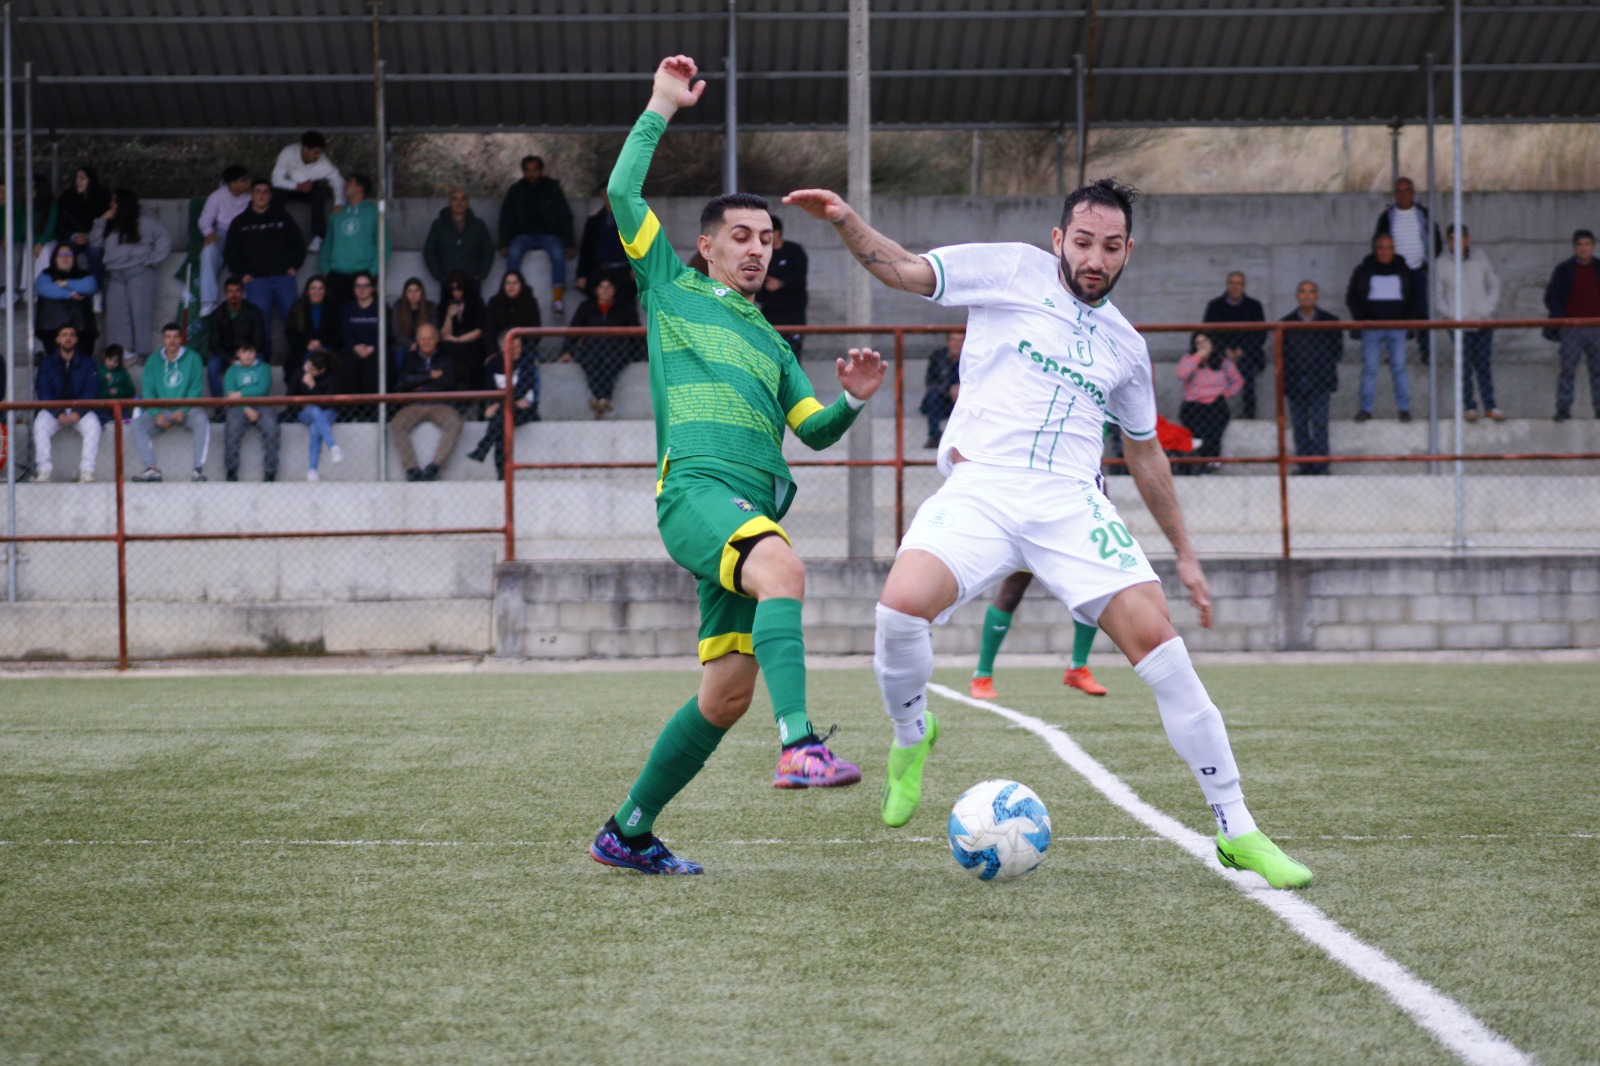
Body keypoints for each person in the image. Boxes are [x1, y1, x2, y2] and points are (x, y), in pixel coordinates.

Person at [786, 175, 1312, 889]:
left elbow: (1145, 449)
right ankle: (913, 737)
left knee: (1164, 650)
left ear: (1129, 252)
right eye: (1085, 242)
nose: (1095, 258)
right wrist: (848, 221)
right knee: (898, 610)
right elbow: (908, 270)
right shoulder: (1011, 268)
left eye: (1112, 247)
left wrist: (1184, 554)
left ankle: (1237, 829)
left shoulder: (1126, 347)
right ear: (1060, 240)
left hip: (1071, 503)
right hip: (984, 486)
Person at [585, 56, 886, 877]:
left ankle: (628, 830)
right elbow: (620, 196)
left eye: (769, 241)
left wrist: (851, 402)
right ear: (707, 246)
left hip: (745, 514)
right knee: (784, 568)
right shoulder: (669, 287)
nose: (758, 251)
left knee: (725, 695)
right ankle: (799, 748)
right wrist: (659, 105)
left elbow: (813, 433)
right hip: (694, 496)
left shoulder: (775, 347)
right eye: (743, 238)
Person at [968, 571, 1109, 700]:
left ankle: (1078, 668)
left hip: (1060, 543)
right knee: (1012, 592)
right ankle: (982, 675)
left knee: (1086, 592)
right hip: (1027, 542)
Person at [224, 178, 307, 364]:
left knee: (294, 322)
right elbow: (231, 252)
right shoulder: (240, 222)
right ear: (251, 195)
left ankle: (299, 362)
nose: (261, 195)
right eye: (258, 191)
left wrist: (295, 265)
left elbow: (299, 245)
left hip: (284, 280)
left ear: (270, 196)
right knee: (260, 325)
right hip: (256, 282)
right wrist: (242, 273)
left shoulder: (283, 218)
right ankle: (263, 364)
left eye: (265, 192)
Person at [90, 188, 172, 357]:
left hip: (139, 272)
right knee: (116, 315)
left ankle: (142, 353)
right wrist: (103, 220)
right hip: (115, 274)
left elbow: (164, 240)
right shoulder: (110, 223)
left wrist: (151, 260)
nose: (111, 205)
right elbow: (95, 243)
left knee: (140, 313)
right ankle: (122, 352)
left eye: (114, 201)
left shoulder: (146, 221)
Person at [1434, 224, 1503, 422]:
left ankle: (1490, 406)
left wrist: (1487, 309)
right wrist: (1453, 316)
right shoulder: (1441, 263)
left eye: (1459, 238)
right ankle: (1469, 407)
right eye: (1451, 239)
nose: (1455, 243)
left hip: (1482, 322)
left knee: (1483, 365)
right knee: (1463, 366)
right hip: (1459, 326)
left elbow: (1493, 283)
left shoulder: (1480, 256)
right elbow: (1438, 297)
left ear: (1467, 239)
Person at [1346, 233, 1414, 423]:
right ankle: (1365, 409)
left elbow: (1413, 296)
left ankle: (1404, 409)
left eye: (1389, 247)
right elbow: (1352, 297)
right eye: (1381, 247)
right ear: (1375, 249)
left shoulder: (1403, 269)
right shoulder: (1363, 270)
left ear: (1394, 250)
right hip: (1371, 328)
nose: (1385, 251)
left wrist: (1407, 320)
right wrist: (1361, 320)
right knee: (1370, 368)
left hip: (1397, 328)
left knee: (1399, 368)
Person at [1374, 177, 1442, 362]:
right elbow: (1377, 242)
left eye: (1406, 190)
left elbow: (1435, 239)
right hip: (1396, 273)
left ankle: (1426, 352)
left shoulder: (1423, 214)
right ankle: (1394, 353)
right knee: (1394, 313)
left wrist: (1428, 263)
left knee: (1421, 313)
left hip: (1418, 270)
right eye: (1399, 191)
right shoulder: (1387, 217)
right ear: (1395, 194)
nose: (1403, 194)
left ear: (1413, 193)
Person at [498, 155, 576, 316]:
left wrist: (569, 243)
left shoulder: (552, 188)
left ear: (541, 171)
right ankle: (511, 297)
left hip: (549, 234)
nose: (532, 174)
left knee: (557, 251)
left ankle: (557, 299)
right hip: (523, 235)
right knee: (513, 252)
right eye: (528, 170)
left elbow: (564, 216)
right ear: (524, 172)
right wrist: (504, 243)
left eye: (535, 170)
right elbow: (506, 217)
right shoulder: (516, 190)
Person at [130, 324, 209, 483]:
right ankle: (151, 469)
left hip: (186, 410)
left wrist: (183, 409)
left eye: (175, 337)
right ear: (163, 339)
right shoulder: (153, 360)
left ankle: (197, 470)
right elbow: (148, 391)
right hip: (162, 410)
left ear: (181, 339)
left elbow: (196, 389)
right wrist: (155, 413)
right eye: (168, 337)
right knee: (137, 425)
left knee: (202, 421)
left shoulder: (193, 358)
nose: (172, 341)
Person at [1280, 281, 1342, 475]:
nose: (1307, 295)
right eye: (1303, 292)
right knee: (1299, 426)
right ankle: (1305, 466)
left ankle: (1321, 466)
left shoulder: (1331, 321)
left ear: (1316, 296)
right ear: (1297, 296)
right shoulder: (1285, 322)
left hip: (1320, 382)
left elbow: (1336, 351)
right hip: (1295, 382)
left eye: (1311, 292)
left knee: (1319, 424)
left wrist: (1319, 372)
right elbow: (1282, 353)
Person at [559, 275, 640, 418]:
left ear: (614, 290)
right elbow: (574, 331)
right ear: (596, 290)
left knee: (610, 361)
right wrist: (567, 351)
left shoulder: (625, 307)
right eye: (602, 287)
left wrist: (641, 355)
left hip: (617, 350)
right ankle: (604, 399)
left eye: (609, 287)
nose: (605, 290)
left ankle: (599, 398)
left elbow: (636, 333)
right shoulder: (585, 307)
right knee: (591, 362)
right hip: (591, 349)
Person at [391, 322, 461, 482]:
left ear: (437, 339)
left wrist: (420, 383)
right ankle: (412, 469)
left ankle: (434, 467)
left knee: (455, 423)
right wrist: (430, 376)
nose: (426, 342)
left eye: (430, 338)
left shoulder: (446, 357)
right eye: (422, 339)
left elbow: (450, 381)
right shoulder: (410, 357)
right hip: (415, 403)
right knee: (397, 424)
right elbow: (405, 380)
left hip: (441, 403)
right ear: (417, 340)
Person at [469, 324, 541, 479]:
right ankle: (501, 474)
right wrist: (506, 402)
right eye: (513, 347)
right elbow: (490, 390)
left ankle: (485, 448)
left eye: (519, 346)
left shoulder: (527, 360)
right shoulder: (493, 364)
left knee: (500, 416)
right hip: (507, 409)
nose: (517, 350)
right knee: (502, 424)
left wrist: (501, 403)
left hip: (525, 409)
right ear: (503, 347)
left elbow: (523, 387)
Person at [31, 324, 101, 483]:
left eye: (71, 335)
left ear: (76, 339)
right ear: (58, 339)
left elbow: (92, 391)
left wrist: (79, 412)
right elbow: (43, 392)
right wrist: (57, 412)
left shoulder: (87, 363)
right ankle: (43, 470)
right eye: (64, 335)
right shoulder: (47, 363)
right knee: (40, 424)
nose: (67, 338)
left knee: (93, 425)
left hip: (79, 410)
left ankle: (87, 471)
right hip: (55, 411)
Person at [1543, 229, 1600, 423]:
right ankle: (1563, 409)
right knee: (1567, 369)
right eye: (1580, 245)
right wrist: (1563, 320)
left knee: (1598, 370)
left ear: (1593, 246)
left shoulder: (1599, 267)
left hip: (1596, 327)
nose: (1584, 248)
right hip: (1572, 328)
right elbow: (1551, 297)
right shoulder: (1564, 270)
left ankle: (1599, 408)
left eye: (1587, 244)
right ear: (1575, 247)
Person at [1175, 331, 1243, 473]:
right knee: (1198, 429)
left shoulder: (1222, 361)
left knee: (1214, 428)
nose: (1202, 345)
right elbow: (1181, 373)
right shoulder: (1190, 359)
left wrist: (1226, 392)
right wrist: (1198, 357)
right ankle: (1200, 461)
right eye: (1198, 343)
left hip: (1215, 403)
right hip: (1194, 404)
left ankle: (1211, 460)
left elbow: (1237, 381)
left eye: (1205, 341)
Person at [1201, 271, 1265, 418]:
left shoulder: (1254, 306)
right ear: (1227, 285)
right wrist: (1225, 350)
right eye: (1232, 283)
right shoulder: (1215, 306)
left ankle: (1249, 413)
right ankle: (1216, 414)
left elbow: (1260, 334)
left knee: (1247, 372)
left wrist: (1242, 350)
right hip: (1220, 353)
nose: (1235, 287)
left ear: (1244, 286)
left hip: (1247, 353)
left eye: (1239, 283)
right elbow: (1209, 331)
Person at [320, 174, 386, 313]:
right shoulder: (337, 213)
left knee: (362, 316)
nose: (345, 185)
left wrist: (372, 272)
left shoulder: (374, 213)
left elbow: (384, 245)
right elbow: (328, 243)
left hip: (363, 274)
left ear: (360, 188)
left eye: (349, 182)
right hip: (337, 275)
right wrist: (326, 269)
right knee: (337, 317)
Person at [270, 130, 343, 249]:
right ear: (305, 149)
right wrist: (296, 185)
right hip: (288, 187)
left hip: (309, 190)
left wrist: (339, 201)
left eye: (320, 153)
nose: (318, 156)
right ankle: (277, 233)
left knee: (318, 193)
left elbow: (337, 179)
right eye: (315, 153)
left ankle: (318, 237)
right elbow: (275, 179)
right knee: (274, 194)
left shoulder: (323, 161)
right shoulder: (288, 153)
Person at [204, 276, 268, 403]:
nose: (234, 294)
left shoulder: (254, 311)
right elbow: (214, 343)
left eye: (237, 291)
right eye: (230, 291)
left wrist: (246, 355)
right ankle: (220, 409)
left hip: (249, 352)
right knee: (212, 367)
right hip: (226, 355)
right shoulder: (218, 314)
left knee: (262, 363)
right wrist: (230, 360)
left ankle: (257, 404)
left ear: (243, 293)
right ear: (225, 293)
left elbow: (259, 340)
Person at [197, 164, 251, 315]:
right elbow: (204, 220)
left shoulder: (251, 196)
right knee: (208, 252)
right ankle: (208, 302)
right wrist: (209, 233)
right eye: (243, 180)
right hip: (222, 233)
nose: (248, 183)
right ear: (232, 184)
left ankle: (244, 299)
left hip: (243, 236)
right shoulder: (217, 196)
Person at [222, 342, 279, 483]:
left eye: (251, 351)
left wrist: (240, 394)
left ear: (256, 353)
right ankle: (231, 470)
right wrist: (245, 408)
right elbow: (230, 394)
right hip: (238, 407)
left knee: (271, 427)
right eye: (244, 351)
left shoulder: (264, 368)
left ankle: (270, 472)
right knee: (232, 429)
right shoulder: (231, 371)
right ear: (238, 353)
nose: (248, 355)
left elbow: (263, 389)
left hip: (262, 405)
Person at [482, 270, 542, 398]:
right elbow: (489, 330)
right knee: (490, 364)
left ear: (521, 285)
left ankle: (530, 403)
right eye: (508, 283)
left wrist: (522, 350)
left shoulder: (530, 302)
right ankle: (490, 405)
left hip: (524, 350)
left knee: (531, 364)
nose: (511, 287)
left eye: (515, 283)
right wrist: (492, 352)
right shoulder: (494, 302)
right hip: (500, 350)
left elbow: (536, 331)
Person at [755, 214, 808, 358]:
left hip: (793, 315)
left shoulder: (794, 252)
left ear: (776, 233)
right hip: (770, 315)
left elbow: (799, 278)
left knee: (792, 358)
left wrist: (781, 283)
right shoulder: (760, 254)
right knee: (771, 358)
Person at [423, 188, 495, 291]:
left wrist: (480, 275)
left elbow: (488, 251)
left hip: (472, 281)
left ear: (467, 202)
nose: (459, 203)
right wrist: (440, 276)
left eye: (463, 199)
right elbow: (429, 251)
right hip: (448, 281)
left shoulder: (478, 225)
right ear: (450, 202)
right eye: (455, 199)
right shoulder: (439, 225)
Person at [35, 243, 98, 358]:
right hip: (52, 331)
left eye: (68, 254)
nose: (65, 258)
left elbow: (90, 286)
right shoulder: (46, 274)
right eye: (61, 254)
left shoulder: (84, 274)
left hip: (82, 332)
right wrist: (69, 293)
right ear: (54, 258)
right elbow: (43, 288)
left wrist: (66, 283)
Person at [285, 275, 342, 398]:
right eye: (313, 288)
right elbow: (291, 334)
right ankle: (294, 407)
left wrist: (321, 343)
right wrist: (307, 344)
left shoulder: (333, 308)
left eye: (321, 288)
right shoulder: (297, 308)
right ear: (307, 291)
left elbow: (338, 335)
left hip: (327, 349)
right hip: (303, 349)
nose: (317, 292)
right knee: (292, 365)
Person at [336, 271, 382, 415]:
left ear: (372, 288)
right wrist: (355, 346)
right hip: (353, 349)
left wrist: (372, 347)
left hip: (374, 350)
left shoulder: (380, 308)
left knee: (372, 369)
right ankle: (351, 411)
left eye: (366, 286)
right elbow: (345, 333)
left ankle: (372, 412)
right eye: (358, 286)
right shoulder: (347, 308)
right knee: (347, 365)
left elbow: (385, 333)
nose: (362, 290)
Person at [53, 165, 110, 280]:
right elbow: (60, 225)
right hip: (72, 238)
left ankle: (94, 288)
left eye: (82, 178)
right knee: (66, 254)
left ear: (91, 180)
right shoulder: (67, 197)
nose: (78, 181)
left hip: (95, 239)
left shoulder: (103, 198)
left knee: (95, 252)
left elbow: (108, 225)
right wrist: (73, 236)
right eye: (76, 178)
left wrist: (90, 236)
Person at [575, 191, 633, 303]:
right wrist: (581, 274)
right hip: (600, 270)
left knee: (625, 306)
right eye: (605, 192)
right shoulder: (594, 220)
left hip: (623, 270)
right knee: (596, 305)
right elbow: (586, 249)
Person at [297, 349, 343, 481]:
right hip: (305, 412)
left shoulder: (333, 378)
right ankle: (333, 446)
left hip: (328, 413)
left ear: (321, 371)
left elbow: (327, 403)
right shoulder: (299, 374)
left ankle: (312, 470)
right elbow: (290, 396)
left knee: (315, 428)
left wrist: (312, 387)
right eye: (307, 365)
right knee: (314, 410)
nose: (308, 370)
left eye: (312, 369)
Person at [437, 270, 486, 392]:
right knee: (449, 350)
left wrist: (458, 339)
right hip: (452, 345)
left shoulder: (475, 302)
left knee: (466, 351)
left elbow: (479, 330)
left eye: (459, 289)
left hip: (471, 342)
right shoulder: (444, 304)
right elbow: (444, 334)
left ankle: (467, 386)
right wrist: (449, 316)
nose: (456, 293)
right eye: (453, 290)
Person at [920, 330, 962, 448]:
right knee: (932, 396)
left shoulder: (970, 358)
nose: (957, 344)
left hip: (965, 397)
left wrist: (961, 388)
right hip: (943, 399)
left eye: (961, 340)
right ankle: (934, 437)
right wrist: (949, 389)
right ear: (948, 342)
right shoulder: (938, 357)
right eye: (954, 340)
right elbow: (931, 381)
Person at [391, 276, 435, 364]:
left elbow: (434, 329)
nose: (413, 294)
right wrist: (410, 344)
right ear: (405, 293)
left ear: (421, 292)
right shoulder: (398, 306)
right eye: (410, 291)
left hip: (425, 343)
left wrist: (419, 344)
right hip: (403, 344)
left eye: (416, 291)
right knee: (401, 357)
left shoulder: (430, 307)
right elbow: (396, 332)